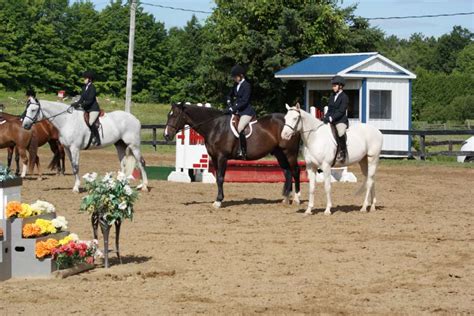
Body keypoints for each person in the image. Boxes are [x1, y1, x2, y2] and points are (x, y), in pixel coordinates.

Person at [225, 65, 256, 159]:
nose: (234, 78)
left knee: (240, 128)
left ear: (241, 76)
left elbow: (244, 101)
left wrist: (233, 108)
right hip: (237, 110)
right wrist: (229, 102)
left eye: (235, 76)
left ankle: (242, 151)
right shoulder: (236, 85)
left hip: (246, 112)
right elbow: (229, 95)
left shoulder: (247, 86)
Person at [323, 75, 349, 162]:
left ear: (340, 86)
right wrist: (326, 117)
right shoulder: (332, 96)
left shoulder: (344, 97)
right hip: (332, 119)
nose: (333, 87)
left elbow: (341, 111)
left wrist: (331, 118)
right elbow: (330, 109)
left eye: (335, 85)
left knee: (340, 132)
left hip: (340, 120)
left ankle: (343, 152)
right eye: (332, 85)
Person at [71, 71, 101, 146]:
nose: (84, 80)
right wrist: (76, 104)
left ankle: (97, 138)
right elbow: (82, 98)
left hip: (93, 109)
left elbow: (90, 100)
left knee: (90, 122)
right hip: (86, 108)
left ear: (89, 79)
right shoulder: (84, 87)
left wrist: (81, 105)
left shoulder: (92, 88)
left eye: (85, 78)